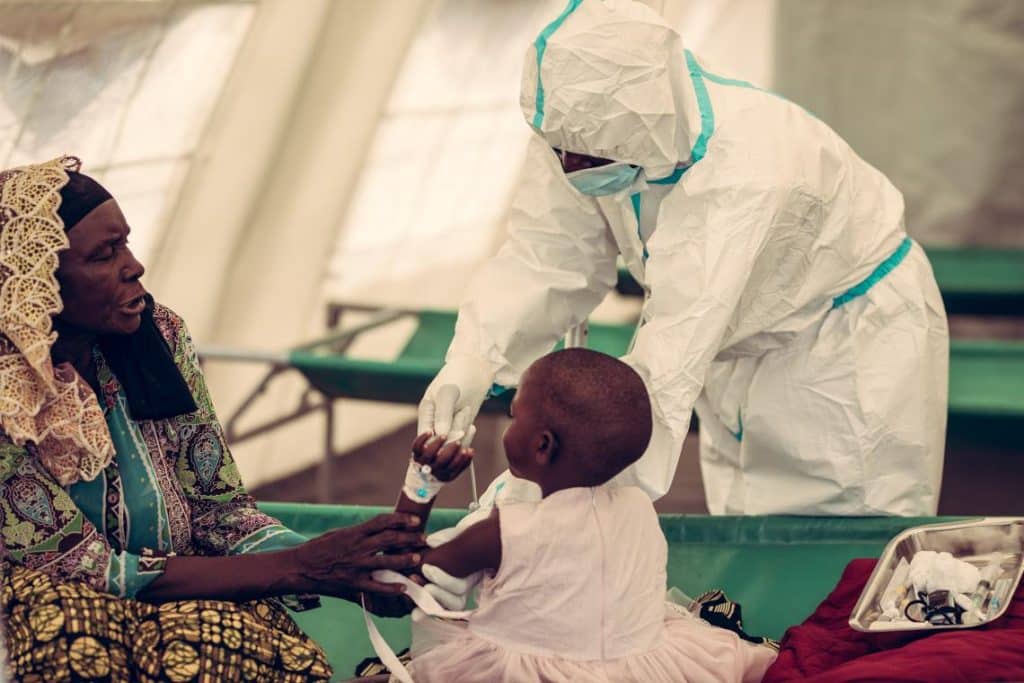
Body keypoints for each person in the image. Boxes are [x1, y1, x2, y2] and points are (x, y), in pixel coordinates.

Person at [418, 0, 948, 522]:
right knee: (746, 528)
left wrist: (543, 499)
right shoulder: (576, 123)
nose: (571, 166)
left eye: (589, 156)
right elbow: (548, 257)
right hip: (740, 343)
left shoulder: (747, 166)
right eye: (560, 150)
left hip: (845, 347)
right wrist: (475, 356)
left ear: (643, 131)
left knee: (843, 539)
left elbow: (668, 357)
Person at [0, 157, 424, 682]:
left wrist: (351, 568)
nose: (134, 266)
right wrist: (307, 566)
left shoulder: (154, 340)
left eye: (126, 243)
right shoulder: (7, 400)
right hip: (55, 629)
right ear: (36, 284)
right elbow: (90, 574)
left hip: (188, 604)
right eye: (104, 254)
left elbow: (217, 511)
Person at [397, 348, 776, 682]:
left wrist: (423, 482)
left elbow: (406, 570)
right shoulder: (639, 509)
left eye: (514, 417)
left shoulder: (501, 533)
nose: (509, 427)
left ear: (542, 445)